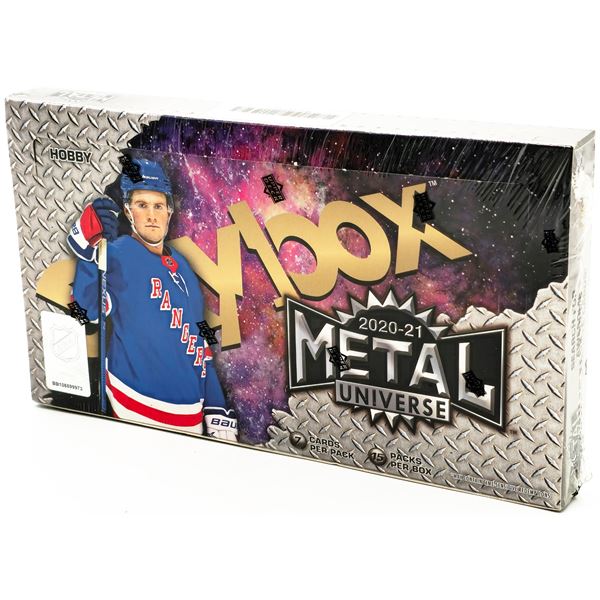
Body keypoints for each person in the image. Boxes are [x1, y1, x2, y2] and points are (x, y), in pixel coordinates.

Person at [67, 157, 238, 441]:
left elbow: (200, 338)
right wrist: (88, 249)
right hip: (134, 409)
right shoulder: (116, 253)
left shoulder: (183, 266)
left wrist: (216, 405)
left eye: (158, 206)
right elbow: (85, 312)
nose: (151, 215)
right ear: (127, 210)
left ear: (169, 211)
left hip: (192, 419)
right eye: (141, 205)